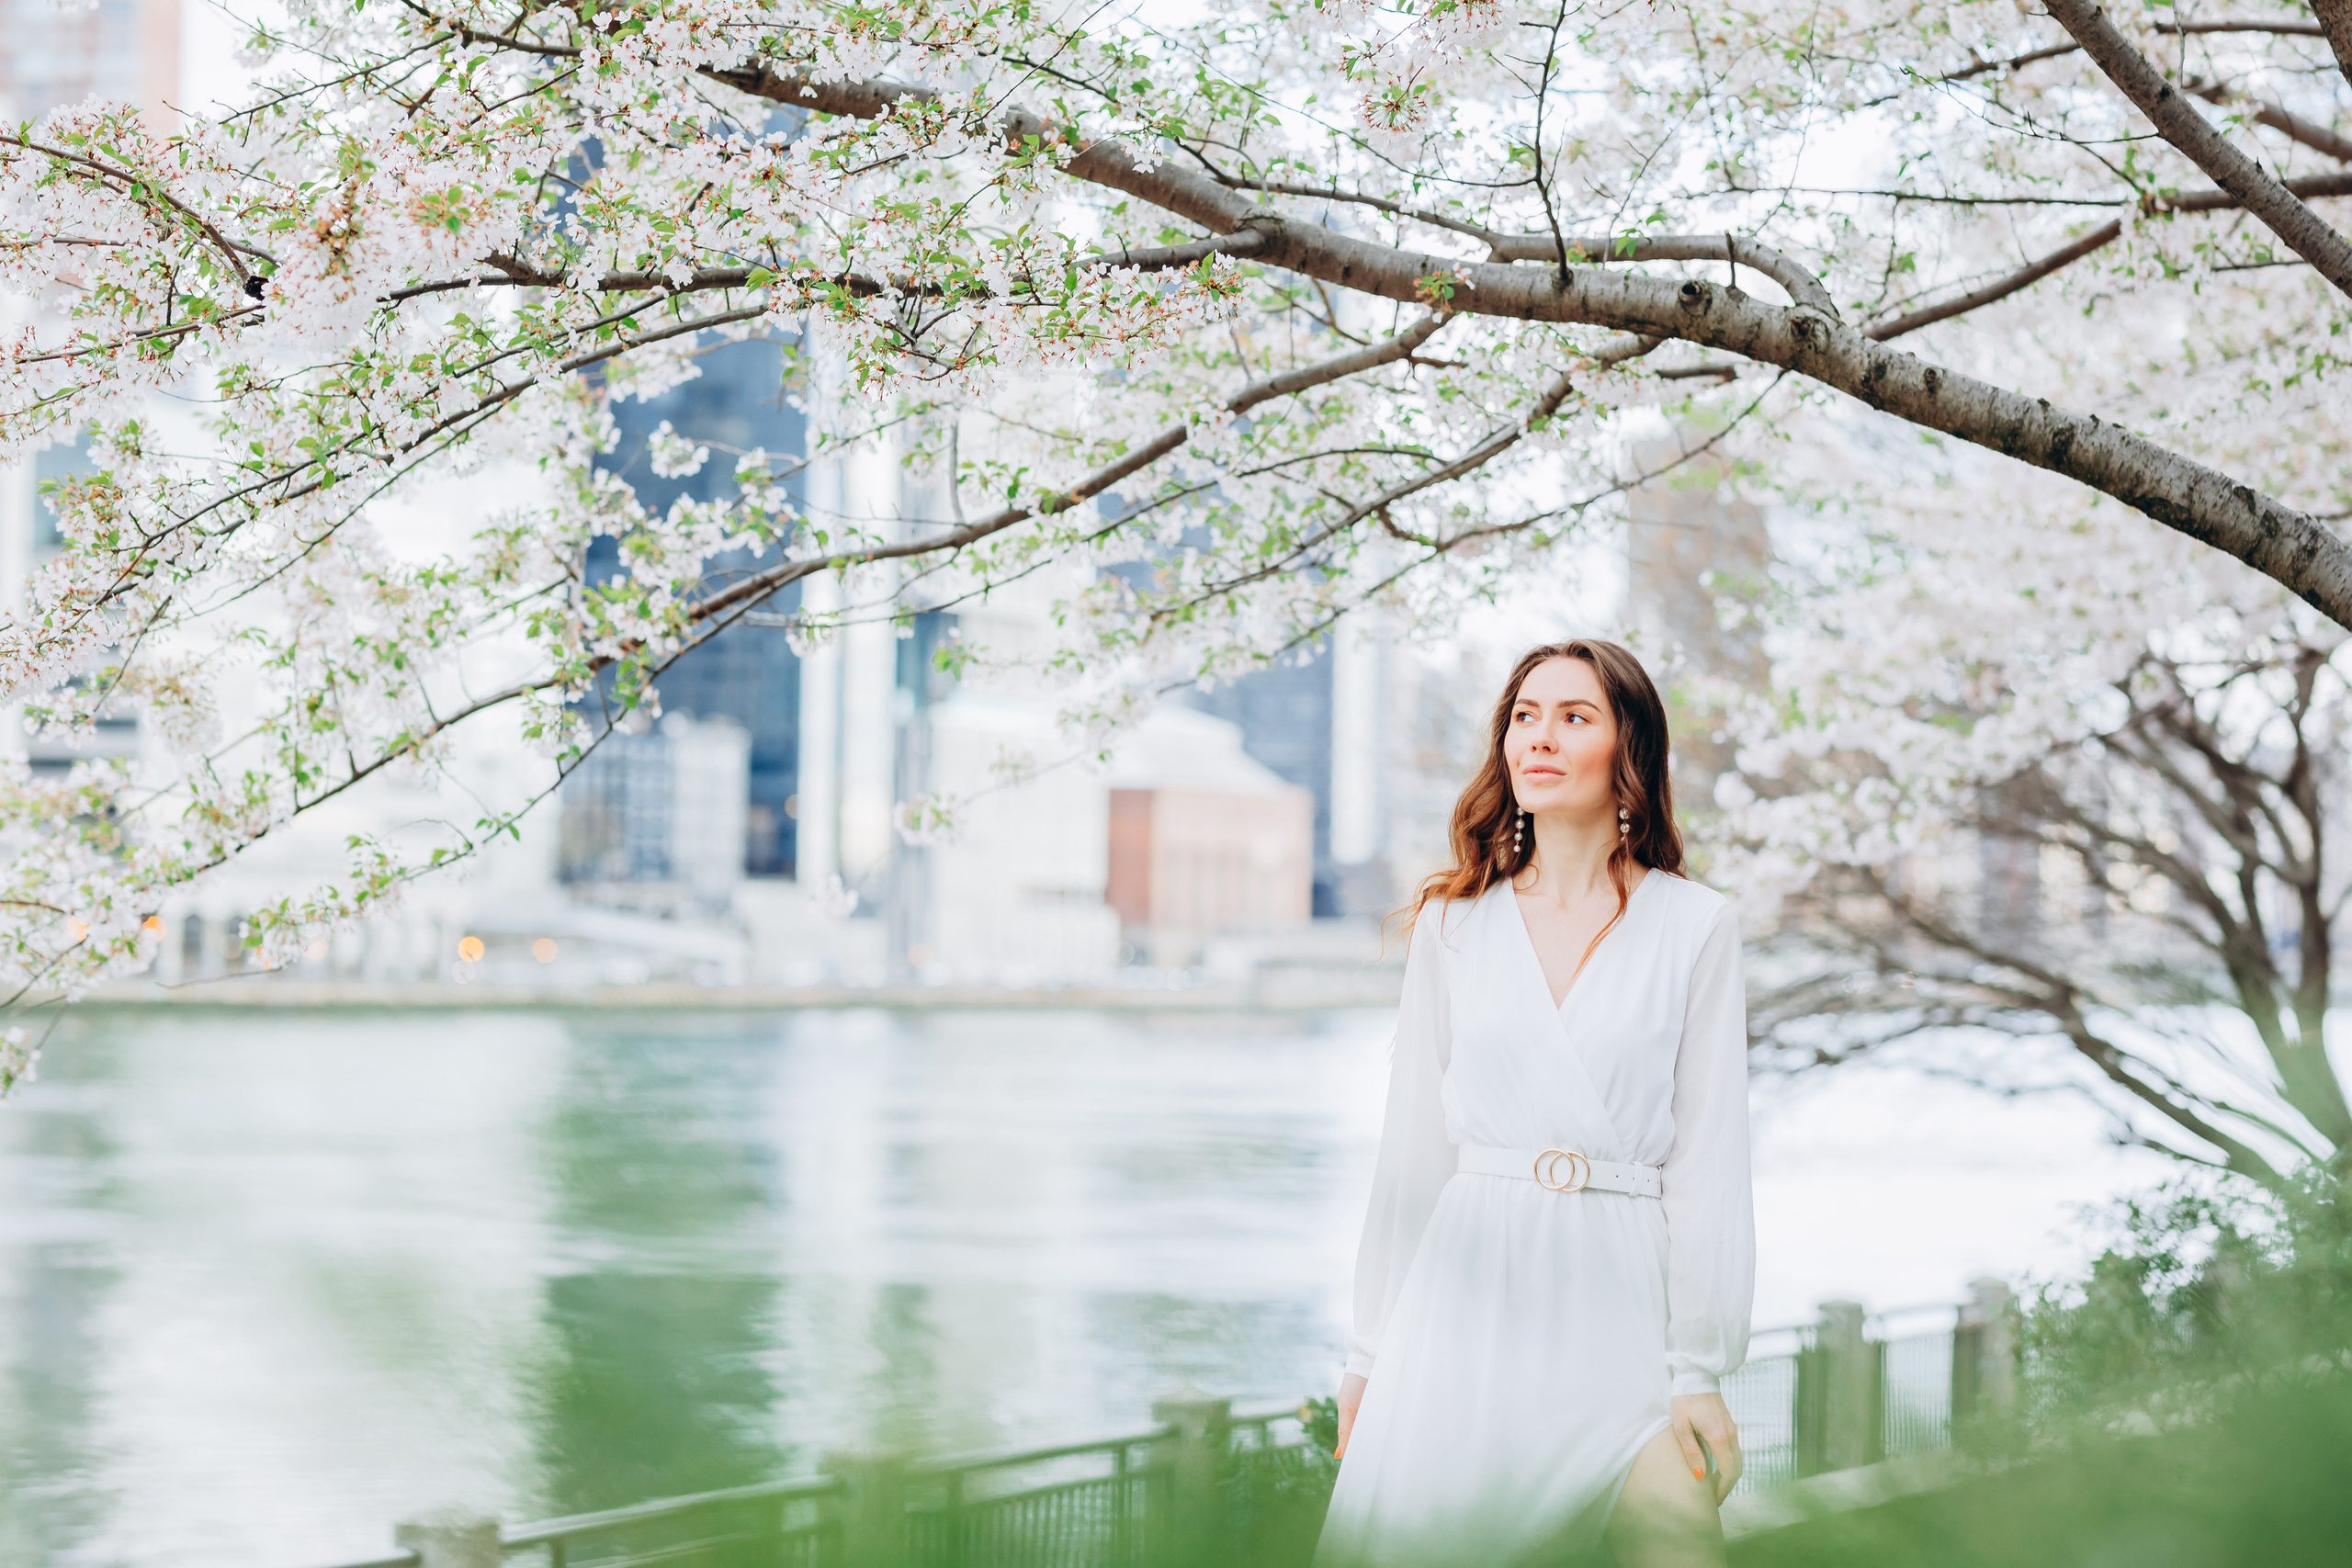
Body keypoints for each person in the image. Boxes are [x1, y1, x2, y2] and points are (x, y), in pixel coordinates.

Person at [1315, 639, 1753, 1568]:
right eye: (1523, 716)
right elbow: (1411, 1158)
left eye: (1572, 716)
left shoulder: (1695, 926)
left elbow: (1707, 1167)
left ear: (1626, 749)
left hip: (1622, 1312)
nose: (1538, 738)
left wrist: (1697, 1370)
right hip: (1463, 1304)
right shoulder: (1453, 926)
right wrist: (1366, 1357)